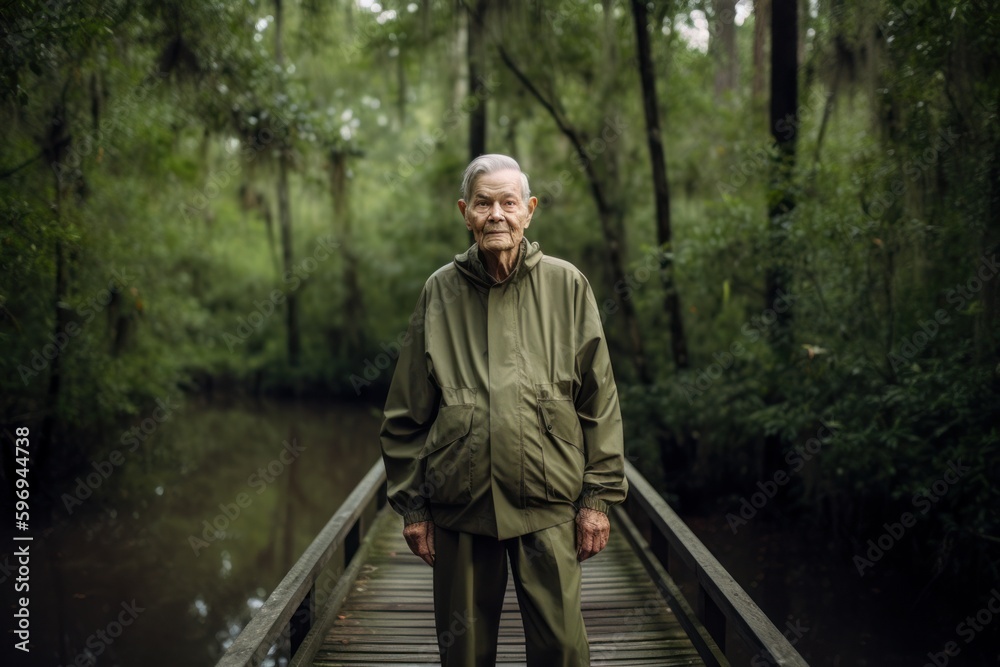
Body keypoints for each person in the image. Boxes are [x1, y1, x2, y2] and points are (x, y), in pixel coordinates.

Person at [379, 154, 628, 667]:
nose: (497, 214)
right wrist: (414, 507)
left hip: (549, 504)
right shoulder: (439, 291)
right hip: (461, 508)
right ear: (464, 212)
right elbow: (406, 411)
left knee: (562, 650)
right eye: (484, 203)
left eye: (508, 203)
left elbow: (599, 401)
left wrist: (597, 499)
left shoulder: (567, 285)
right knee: (464, 654)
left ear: (529, 210)